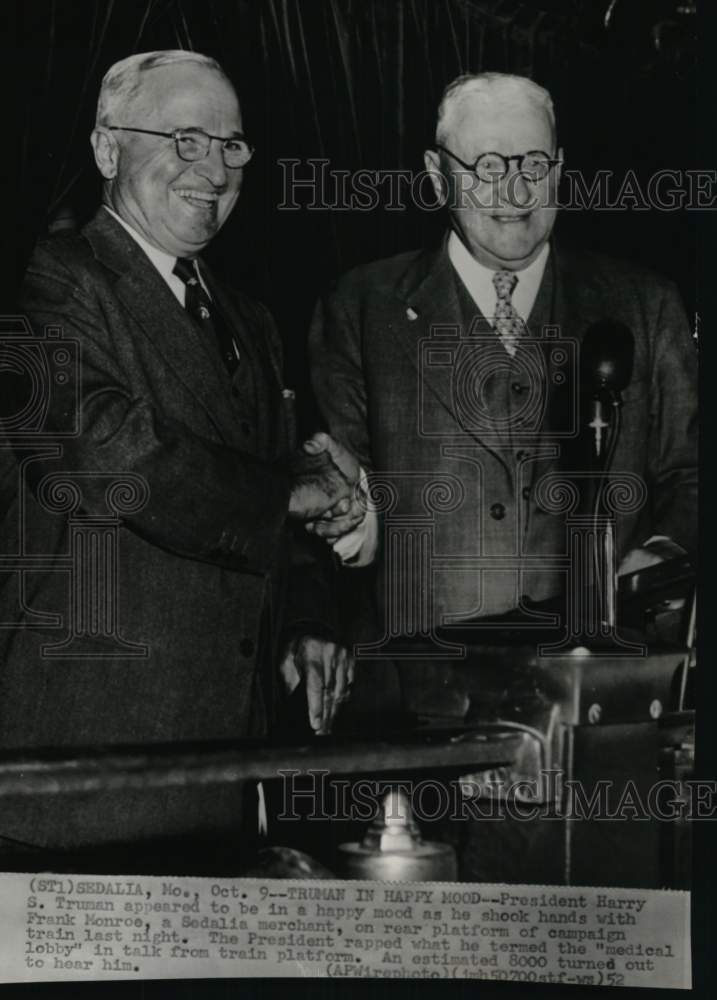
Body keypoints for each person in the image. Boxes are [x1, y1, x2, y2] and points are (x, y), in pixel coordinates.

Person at [0, 51, 356, 851]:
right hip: (80, 778)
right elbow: (109, 456)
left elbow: (274, 487)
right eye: (184, 138)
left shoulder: (251, 320)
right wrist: (288, 497)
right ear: (105, 149)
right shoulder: (46, 281)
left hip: (219, 765)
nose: (215, 168)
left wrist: (307, 616)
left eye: (231, 145)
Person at [308, 72, 697, 635]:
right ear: (438, 178)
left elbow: (691, 471)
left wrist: (665, 555)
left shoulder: (647, 303)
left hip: (607, 680)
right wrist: (349, 520)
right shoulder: (359, 308)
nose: (515, 192)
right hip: (423, 685)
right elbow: (347, 506)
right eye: (488, 167)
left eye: (533, 167)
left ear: (559, 173)